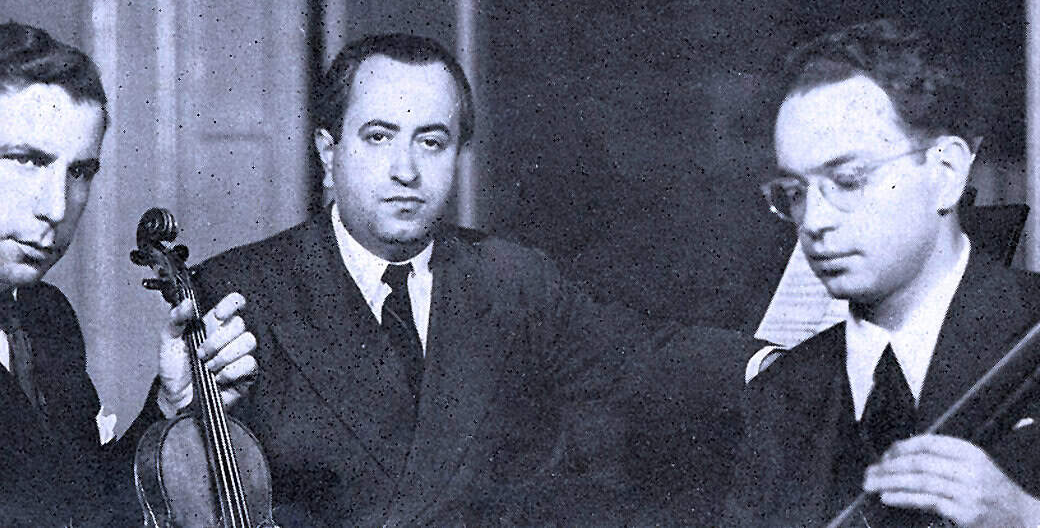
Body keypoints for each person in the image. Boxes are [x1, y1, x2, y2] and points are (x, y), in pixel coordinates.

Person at [193, 33, 756, 526]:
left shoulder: (513, 280)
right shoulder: (240, 291)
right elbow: (166, 488)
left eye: (431, 142)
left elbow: (645, 358)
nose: (406, 171)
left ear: (459, 154)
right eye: (379, 137)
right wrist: (173, 406)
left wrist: (783, 365)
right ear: (327, 151)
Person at [727, 20, 1040, 527]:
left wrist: (1031, 522)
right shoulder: (780, 391)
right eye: (794, 193)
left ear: (946, 173)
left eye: (849, 179)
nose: (813, 221)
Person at [0, 21, 258, 526]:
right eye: (26, 160)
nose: (56, 206)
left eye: (79, 171)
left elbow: (81, 507)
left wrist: (169, 406)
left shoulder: (45, 315)